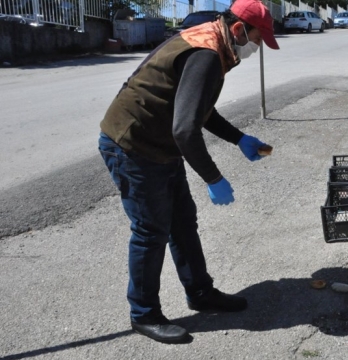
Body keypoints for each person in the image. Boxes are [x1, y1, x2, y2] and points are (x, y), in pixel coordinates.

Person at [97, 0, 279, 344]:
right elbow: (185, 129)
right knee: (151, 232)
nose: (257, 48)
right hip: (132, 146)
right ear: (239, 29)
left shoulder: (214, 40)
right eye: (257, 39)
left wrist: (239, 138)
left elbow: (197, 109)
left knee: (182, 224)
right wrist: (214, 178)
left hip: (159, 145)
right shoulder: (208, 52)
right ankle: (143, 314)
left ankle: (200, 292)